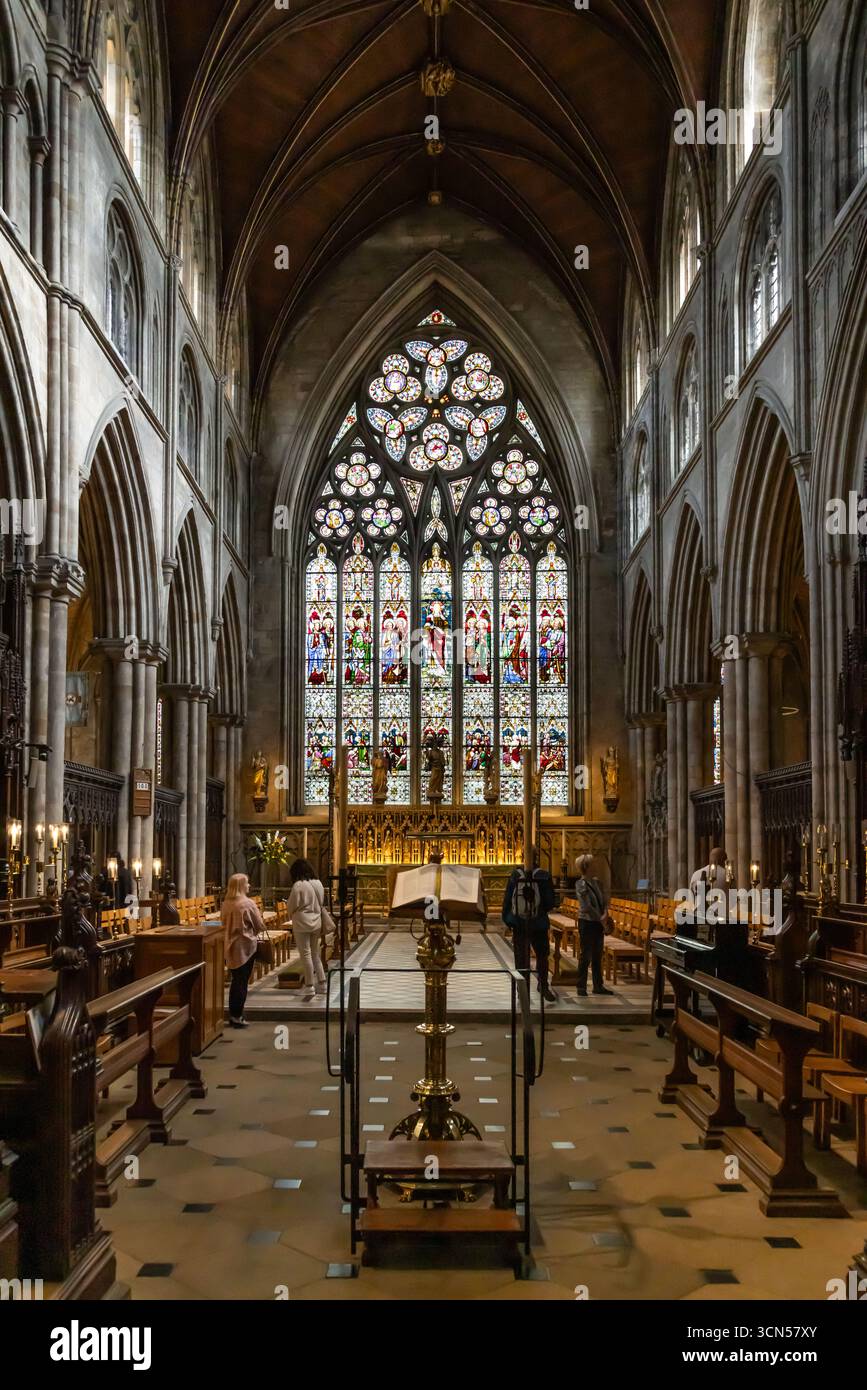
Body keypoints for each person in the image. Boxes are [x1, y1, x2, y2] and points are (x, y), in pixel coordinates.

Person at [502, 848, 557, 1002]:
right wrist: (538, 910)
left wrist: (508, 920)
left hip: (519, 923)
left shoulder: (515, 875)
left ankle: (523, 990)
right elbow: (550, 902)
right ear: (536, 857)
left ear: (522, 857)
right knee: (542, 956)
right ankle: (543, 985)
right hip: (538, 922)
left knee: (521, 958)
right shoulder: (544, 876)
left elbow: (507, 899)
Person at [221, 872, 265, 1028]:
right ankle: (237, 1016)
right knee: (242, 982)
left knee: (236, 981)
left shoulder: (226, 903)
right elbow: (259, 925)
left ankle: (234, 1015)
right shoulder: (247, 903)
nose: (249, 885)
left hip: (229, 946)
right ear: (241, 886)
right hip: (245, 947)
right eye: (247, 883)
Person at [287, 858, 328, 1001]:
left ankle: (309, 986)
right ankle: (322, 984)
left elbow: (292, 905)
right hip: (316, 921)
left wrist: (292, 912)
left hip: (302, 923)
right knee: (315, 953)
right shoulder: (318, 883)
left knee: (305, 954)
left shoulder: (298, 885)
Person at [574, 853, 613, 997]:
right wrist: (601, 918)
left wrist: (606, 912)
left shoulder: (597, 882)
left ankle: (598, 985)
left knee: (597, 954)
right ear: (586, 867)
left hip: (598, 922)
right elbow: (586, 906)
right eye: (593, 864)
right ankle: (581, 986)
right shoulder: (580, 884)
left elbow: (603, 900)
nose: (596, 865)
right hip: (587, 922)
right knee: (586, 955)